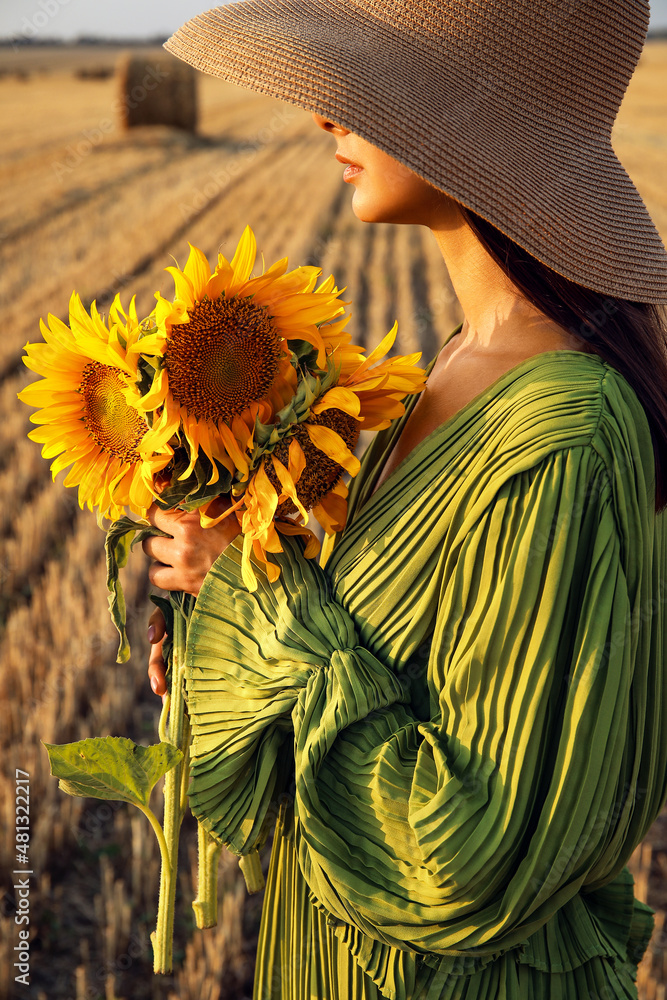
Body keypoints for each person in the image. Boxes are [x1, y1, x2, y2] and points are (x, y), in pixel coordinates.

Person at [142, 1, 667, 996]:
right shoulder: (459, 365)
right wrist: (223, 620)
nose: (326, 119)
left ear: (475, 127)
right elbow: (364, 687)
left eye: (370, 88)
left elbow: (460, 858)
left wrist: (262, 602)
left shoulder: (562, 434)